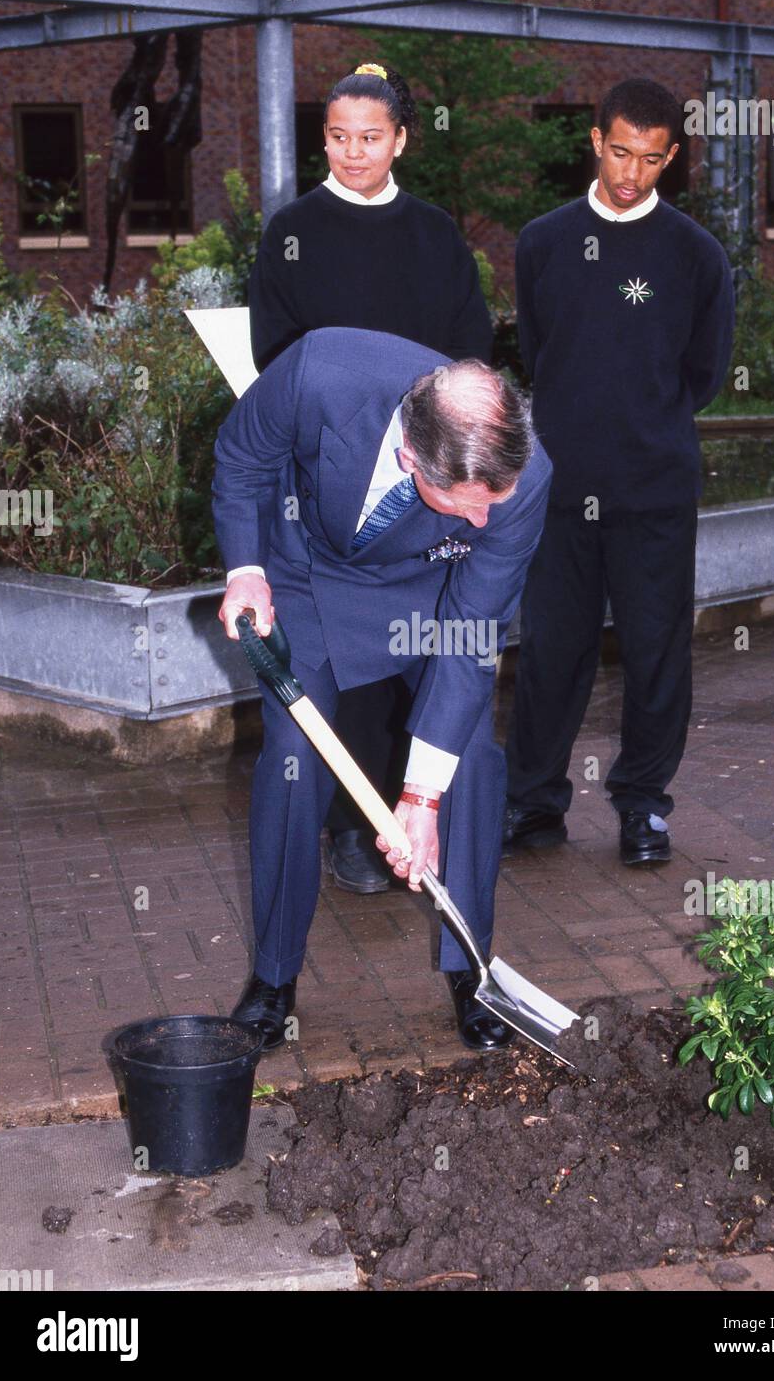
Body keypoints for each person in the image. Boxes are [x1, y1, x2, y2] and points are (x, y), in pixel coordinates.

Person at [212, 326, 551, 1052]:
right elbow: (242, 458)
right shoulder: (318, 373)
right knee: (293, 762)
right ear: (410, 460)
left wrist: (420, 796)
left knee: (474, 760)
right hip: (305, 571)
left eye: (498, 499)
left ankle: (471, 969)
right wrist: (246, 567)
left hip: (432, 592)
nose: (487, 518)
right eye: (466, 502)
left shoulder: (521, 482)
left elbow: (470, 639)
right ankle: (274, 976)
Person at [246, 64, 492, 898]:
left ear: (401, 140)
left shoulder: (434, 234)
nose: (355, 153)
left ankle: (415, 814)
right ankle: (353, 827)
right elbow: (273, 356)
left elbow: (470, 350)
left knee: (416, 658)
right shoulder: (291, 230)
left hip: (425, 484)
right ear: (324, 138)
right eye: (339, 137)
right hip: (330, 478)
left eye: (372, 138)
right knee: (343, 666)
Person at [502, 77, 735, 864]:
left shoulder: (696, 256)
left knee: (655, 651)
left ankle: (643, 807)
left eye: (653, 159)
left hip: (654, 490)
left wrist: (641, 425)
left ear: (670, 159)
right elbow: (541, 354)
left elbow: (702, 375)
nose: (632, 173)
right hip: (559, 489)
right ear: (595, 141)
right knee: (549, 653)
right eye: (621, 151)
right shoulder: (542, 242)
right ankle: (533, 804)